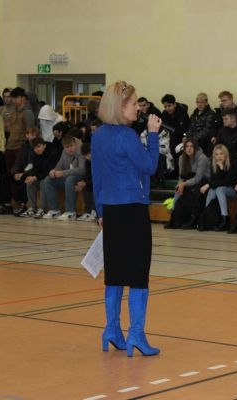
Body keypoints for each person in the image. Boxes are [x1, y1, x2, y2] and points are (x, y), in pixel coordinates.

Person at [92, 80, 161, 357]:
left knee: (115, 274)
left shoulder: (98, 135)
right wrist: (153, 136)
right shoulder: (127, 136)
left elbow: (96, 176)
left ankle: (111, 329)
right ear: (120, 107)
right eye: (134, 103)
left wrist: (100, 211)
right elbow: (150, 166)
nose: (138, 107)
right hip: (132, 209)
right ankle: (136, 334)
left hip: (110, 210)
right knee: (138, 275)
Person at [0, 87, 36, 215]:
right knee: (10, 176)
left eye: (15, 98)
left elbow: (31, 132)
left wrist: (30, 150)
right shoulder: (14, 112)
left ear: (23, 98)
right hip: (10, 147)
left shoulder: (28, 113)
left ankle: (23, 203)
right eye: (12, 98)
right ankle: (11, 203)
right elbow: (11, 130)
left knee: (21, 176)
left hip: (21, 148)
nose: (13, 100)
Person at [167, 138, 210, 229]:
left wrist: (184, 184)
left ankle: (193, 217)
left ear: (195, 148)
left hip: (204, 180)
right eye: (187, 146)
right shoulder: (181, 158)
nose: (189, 148)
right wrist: (180, 184)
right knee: (178, 190)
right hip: (189, 180)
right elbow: (181, 176)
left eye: (191, 146)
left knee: (192, 190)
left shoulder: (202, 158)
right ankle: (175, 218)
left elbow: (198, 178)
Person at [41, 134, 86, 220]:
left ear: (75, 144)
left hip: (80, 177)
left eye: (71, 146)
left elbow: (82, 170)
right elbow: (59, 166)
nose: (69, 149)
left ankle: (71, 212)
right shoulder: (64, 153)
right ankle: (54, 210)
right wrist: (53, 171)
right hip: (67, 177)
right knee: (48, 180)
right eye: (67, 147)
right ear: (64, 148)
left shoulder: (81, 151)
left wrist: (63, 173)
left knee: (70, 179)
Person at [200, 144, 237, 231]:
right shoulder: (214, 165)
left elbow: (227, 182)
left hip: (233, 190)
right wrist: (219, 171)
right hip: (220, 190)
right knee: (212, 190)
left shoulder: (233, 163)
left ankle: (225, 218)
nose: (219, 156)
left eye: (221, 154)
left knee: (219, 189)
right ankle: (207, 218)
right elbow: (214, 181)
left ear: (226, 154)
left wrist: (222, 170)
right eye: (216, 154)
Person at [21, 137, 60, 218]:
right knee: (30, 183)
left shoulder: (53, 152)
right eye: (35, 148)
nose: (37, 149)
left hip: (52, 177)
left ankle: (43, 209)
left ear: (44, 145)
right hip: (40, 177)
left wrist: (35, 177)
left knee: (43, 182)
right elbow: (34, 169)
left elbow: (50, 170)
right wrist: (31, 177)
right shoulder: (34, 154)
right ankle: (32, 208)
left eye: (38, 146)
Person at [75, 142, 96, 222]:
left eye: (88, 155)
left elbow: (98, 177)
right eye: (85, 156)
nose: (87, 157)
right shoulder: (88, 162)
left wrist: (86, 183)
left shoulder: (99, 160)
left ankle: (94, 212)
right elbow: (88, 175)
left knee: (94, 187)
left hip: (101, 182)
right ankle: (88, 211)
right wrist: (82, 182)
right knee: (86, 187)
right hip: (92, 181)